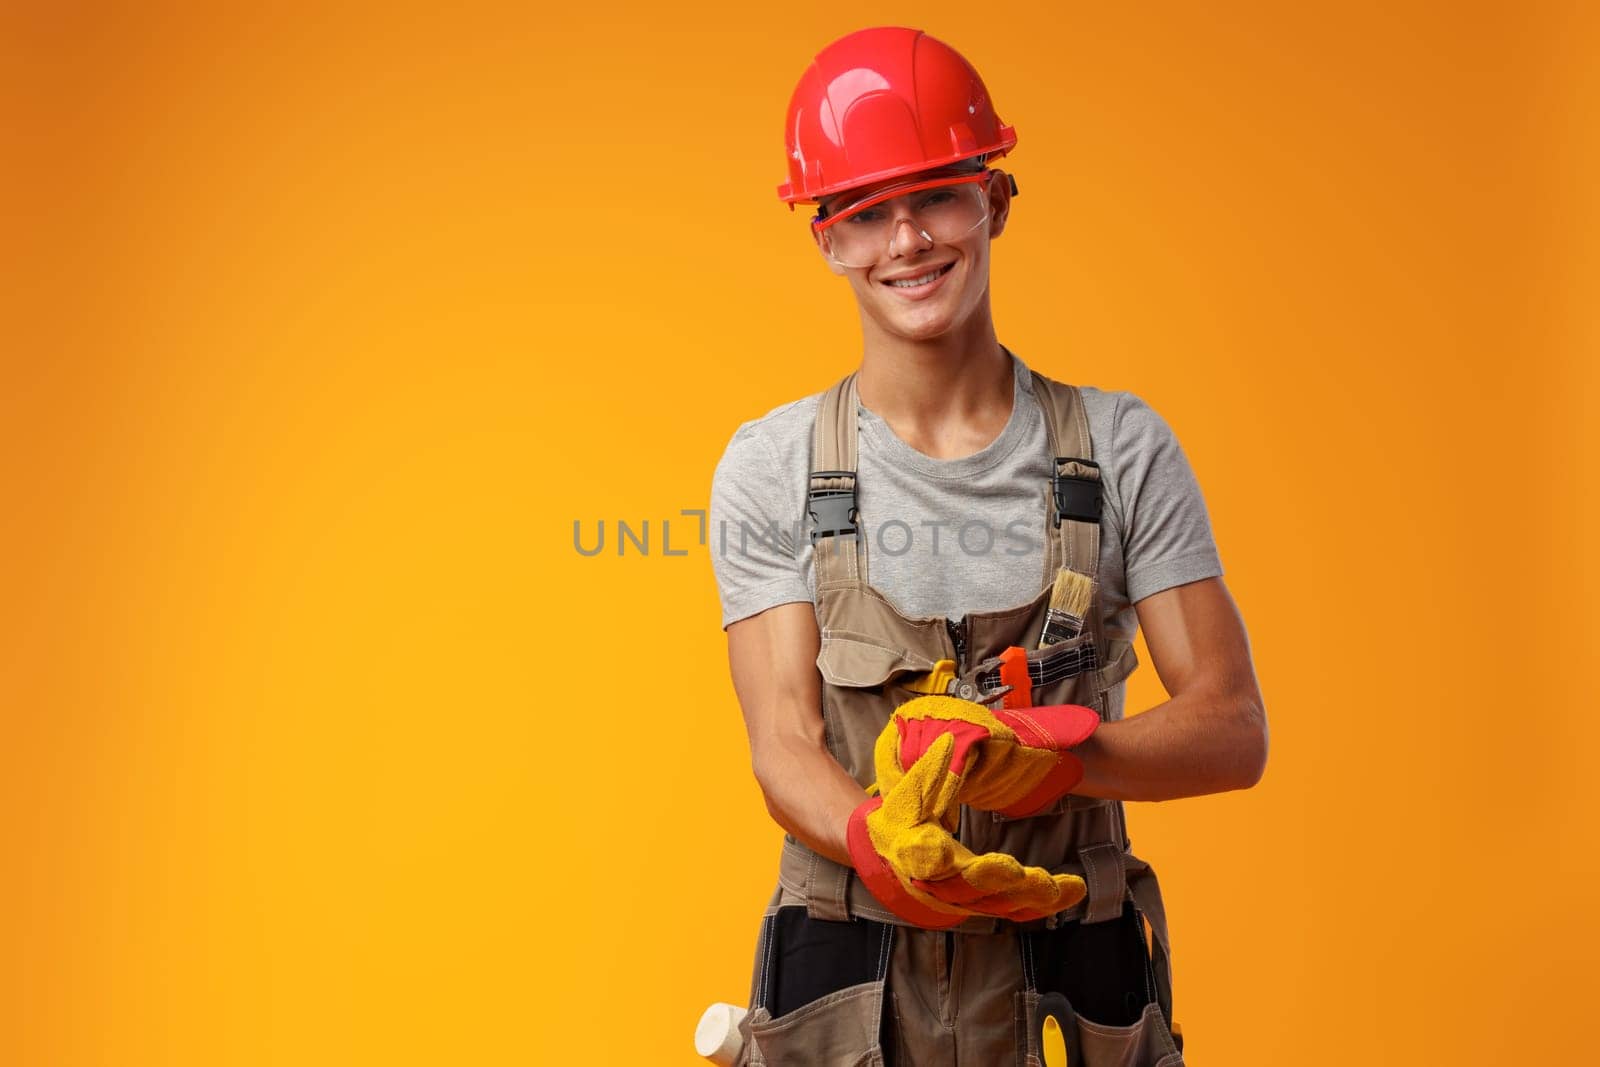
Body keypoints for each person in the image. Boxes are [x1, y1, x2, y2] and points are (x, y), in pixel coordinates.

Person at [708, 26, 1267, 1066]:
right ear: (825, 240)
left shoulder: (1121, 448)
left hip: (1069, 981)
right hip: (846, 986)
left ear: (994, 200)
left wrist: (1059, 760)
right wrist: (883, 841)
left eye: (935, 195)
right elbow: (781, 741)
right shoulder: (769, 465)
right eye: (867, 213)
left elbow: (1233, 726)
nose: (906, 240)